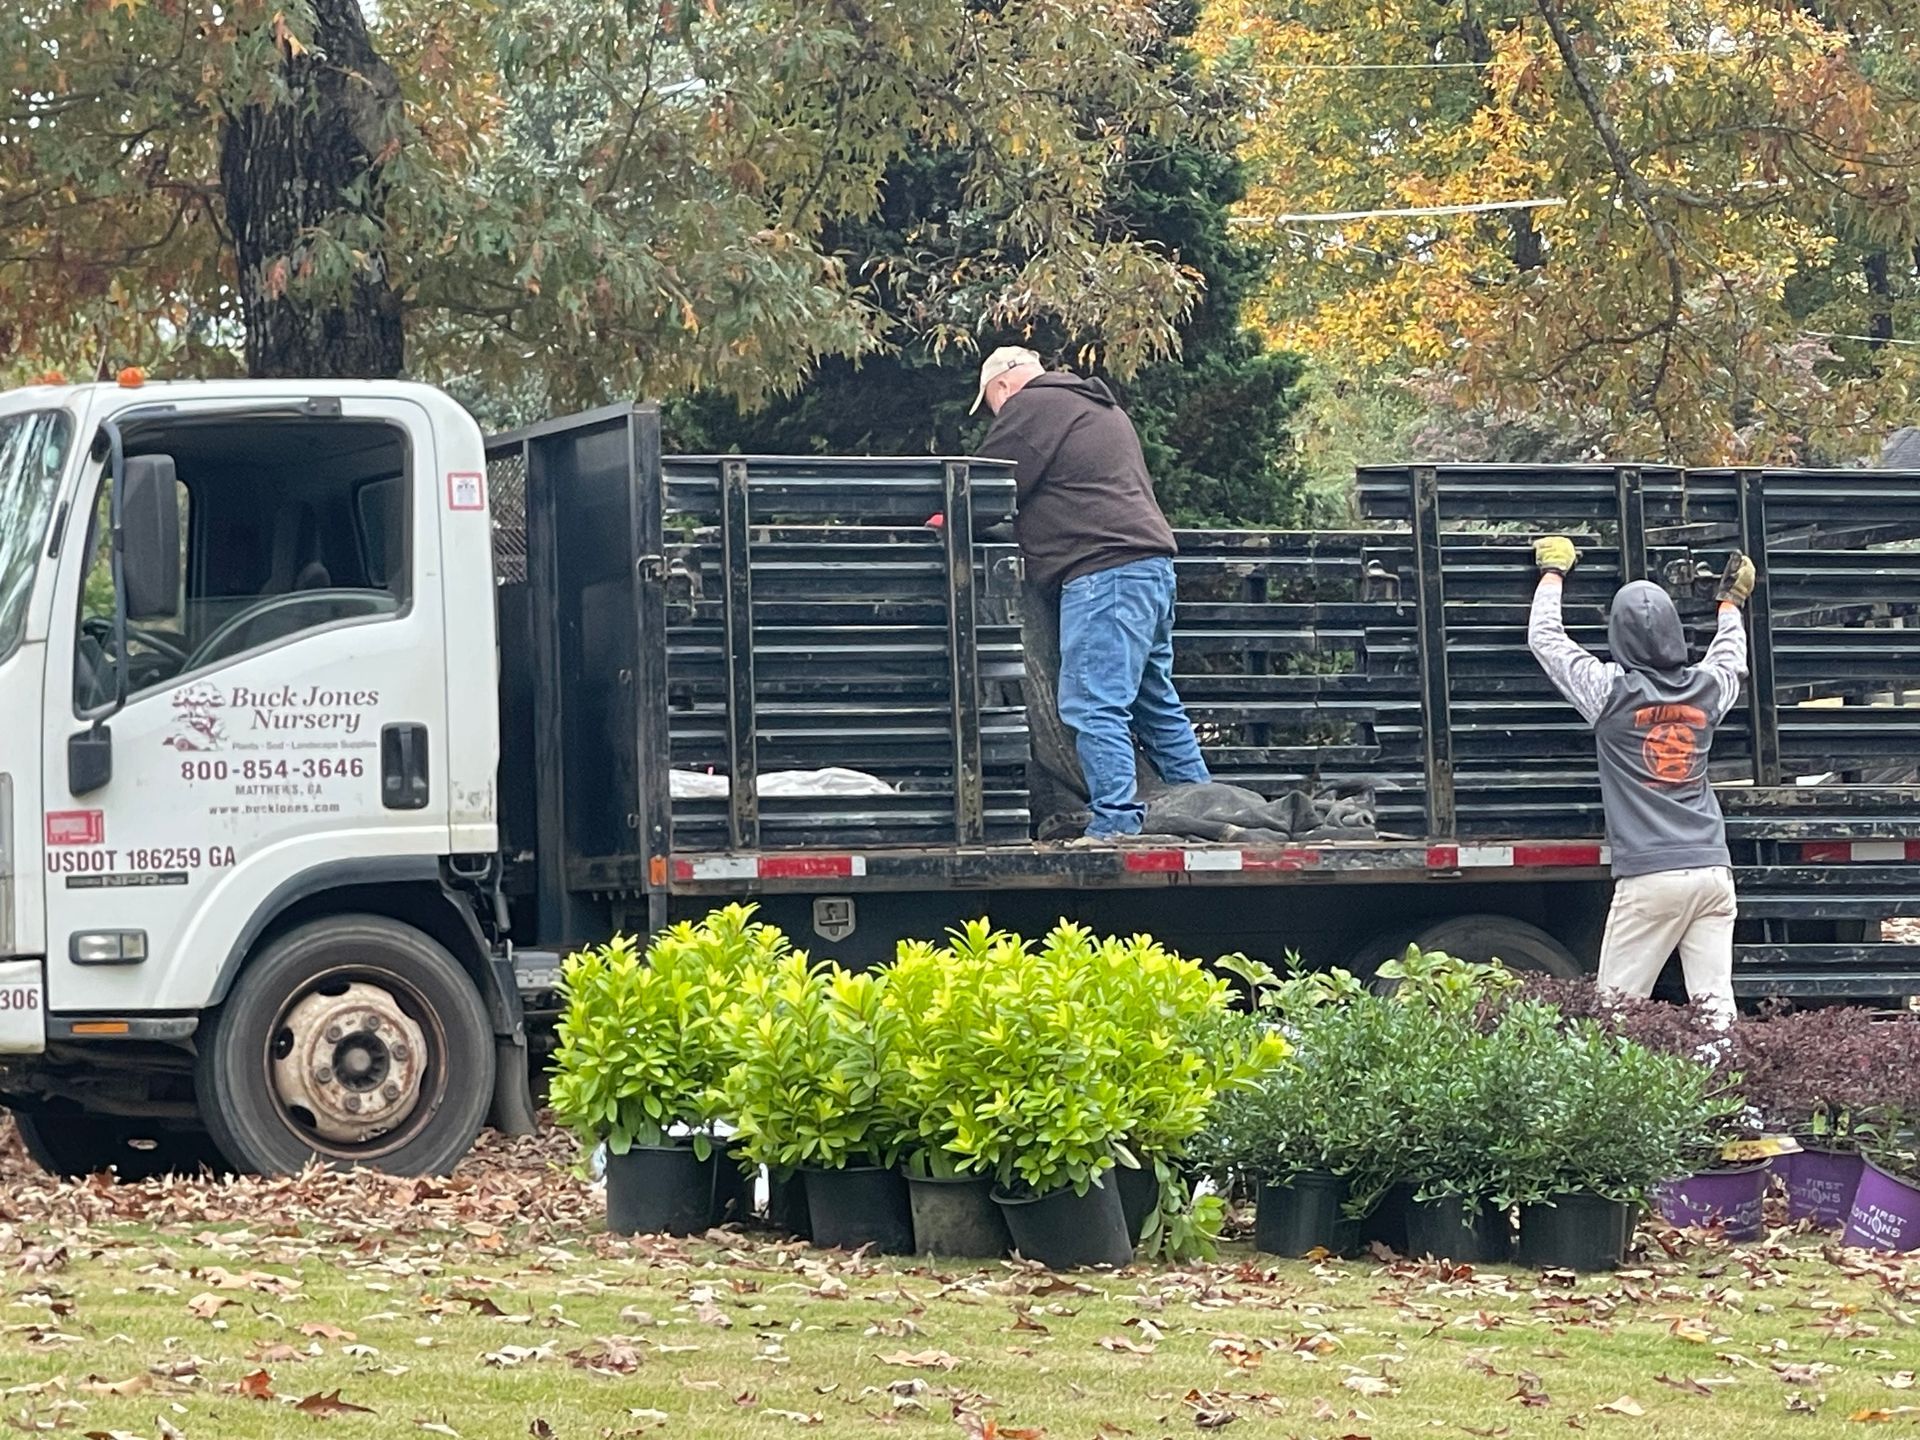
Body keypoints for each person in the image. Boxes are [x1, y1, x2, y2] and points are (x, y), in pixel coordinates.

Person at [970, 346, 1211, 840]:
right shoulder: (1099, 407)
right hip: (1149, 570)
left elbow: (988, 485)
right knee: (1154, 703)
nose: (998, 415)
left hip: (1105, 576)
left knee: (1091, 703)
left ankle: (1116, 826)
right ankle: (1210, 812)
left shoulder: (1033, 406)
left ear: (1002, 387)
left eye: (993, 405)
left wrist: (941, 518)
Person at [1527, 535, 1756, 1023]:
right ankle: (1729, 1096)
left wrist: (1552, 573)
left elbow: (1546, 640)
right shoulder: (1707, 689)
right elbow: (1730, 656)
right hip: (1714, 870)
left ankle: (1616, 1102)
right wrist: (1729, 603)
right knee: (1715, 1009)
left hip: (1652, 877)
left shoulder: (1610, 693)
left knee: (1617, 1010)